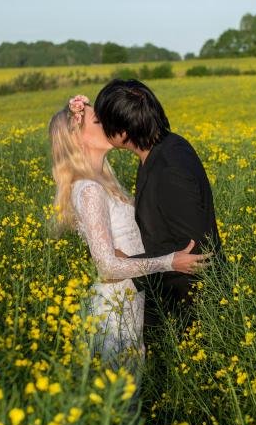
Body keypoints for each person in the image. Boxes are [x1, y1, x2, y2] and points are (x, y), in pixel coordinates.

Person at [48, 94, 206, 369]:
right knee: (118, 399)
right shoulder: (89, 190)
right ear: (78, 139)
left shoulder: (103, 183)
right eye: (99, 120)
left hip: (129, 301)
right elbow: (107, 267)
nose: (110, 122)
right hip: (114, 310)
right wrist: (170, 261)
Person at [93, 79, 221, 349]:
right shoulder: (166, 147)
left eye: (105, 123)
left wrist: (130, 262)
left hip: (186, 310)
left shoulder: (169, 168)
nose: (101, 130)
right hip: (171, 298)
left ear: (123, 131)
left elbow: (195, 252)